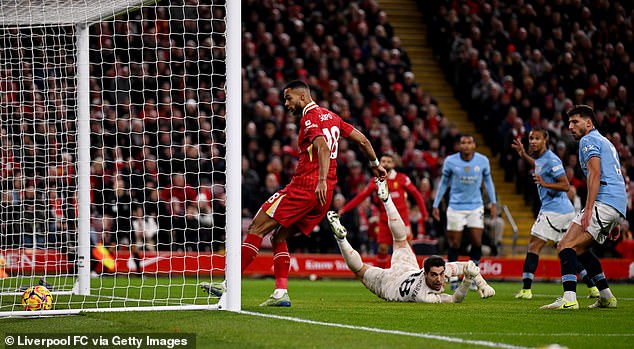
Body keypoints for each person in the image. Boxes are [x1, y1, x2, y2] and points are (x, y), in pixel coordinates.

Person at [202, 80, 387, 306]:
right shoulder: (332, 117)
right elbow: (363, 140)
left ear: (302, 97)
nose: (286, 104)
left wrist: (319, 180)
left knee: (256, 228)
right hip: (325, 194)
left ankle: (228, 285)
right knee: (278, 236)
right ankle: (281, 293)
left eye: (288, 99)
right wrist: (375, 163)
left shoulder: (309, 118)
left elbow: (322, 146)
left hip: (306, 187)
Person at [327, 178, 495, 303]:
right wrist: (471, 282)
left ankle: (386, 201)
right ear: (426, 273)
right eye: (434, 276)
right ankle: (340, 238)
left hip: (406, 269)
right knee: (360, 270)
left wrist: (481, 283)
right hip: (389, 286)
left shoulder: (438, 274)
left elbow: (467, 266)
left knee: (400, 240)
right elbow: (455, 299)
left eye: (441, 274)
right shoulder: (426, 297)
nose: (439, 279)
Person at [541, 105, 625, 310]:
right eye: (569, 122)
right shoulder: (605, 141)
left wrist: (589, 210)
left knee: (565, 245)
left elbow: (595, 174)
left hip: (603, 201)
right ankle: (606, 296)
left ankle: (569, 299)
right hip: (615, 203)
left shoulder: (588, 140)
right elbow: (614, 174)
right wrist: (615, 218)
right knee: (580, 249)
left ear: (589, 123)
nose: (570, 126)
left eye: (575, 121)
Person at [511, 128, 599, 299]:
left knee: (534, 246)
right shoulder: (541, 159)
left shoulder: (552, 159)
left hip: (554, 211)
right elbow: (537, 165)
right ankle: (592, 287)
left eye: (537, 138)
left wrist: (544, 183)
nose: (533, 141)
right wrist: (523, 154)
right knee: (569, 250)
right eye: (531, 138)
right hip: (564, 211)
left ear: (546, 140)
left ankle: (526, 290)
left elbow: (566, 185)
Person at [339, 153, 428, 268]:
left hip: (402, 220)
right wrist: (344, 209)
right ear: (379, 164)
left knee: (407, 247)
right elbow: (361, 196)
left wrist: (424, 213)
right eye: (383, 161)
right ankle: (381, 277)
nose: (386, 163)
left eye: (388, 161)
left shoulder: (402, 178)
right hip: (384, 220)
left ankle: (415, 273)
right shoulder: (376, 181)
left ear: (394, 164)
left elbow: (416, 195)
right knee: (382, 249)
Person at [432, 135, 497, 289]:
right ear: (459, 146)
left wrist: (493, 203)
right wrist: (436, 204)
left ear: (474, 145)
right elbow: (443, 183)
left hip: (475, 206)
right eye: (463, 143)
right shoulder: (450, 161)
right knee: (454, 243)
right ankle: (453, 278)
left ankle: (474, 277)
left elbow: (488, 181)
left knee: (477, 241)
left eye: (469, 143)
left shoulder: (482, 161)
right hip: (455, 206)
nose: (466, 146)